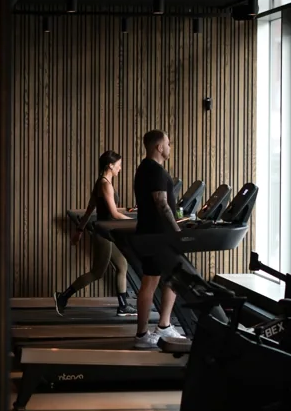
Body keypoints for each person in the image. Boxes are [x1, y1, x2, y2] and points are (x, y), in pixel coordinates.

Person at [54, 150, 137, 317]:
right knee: (97, 273)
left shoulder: (102, 182)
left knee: (122, 265)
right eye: (118, 165)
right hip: (104, 234)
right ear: (110, 165)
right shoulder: (105, 184)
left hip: (108, 233)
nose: (120, 168)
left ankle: (122, 306)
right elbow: (113, 213)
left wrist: (79, 230)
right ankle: (63, 296)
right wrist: (135, 222)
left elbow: (90, 208)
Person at [132, 130, 190, 350]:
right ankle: (141, 335)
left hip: (156, 234)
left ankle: (164, 325)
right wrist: (176, 230)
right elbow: (161, 203)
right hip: (157, 235)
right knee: (150, 282)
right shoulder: (154, 170)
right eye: (168, 143)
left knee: (173, 276)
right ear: (159, 147)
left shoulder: (144, 168)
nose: (170, 146)